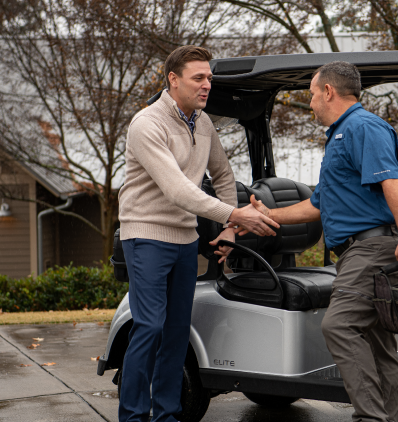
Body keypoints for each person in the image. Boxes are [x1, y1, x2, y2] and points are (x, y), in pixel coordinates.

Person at [239, 61, 398, 422]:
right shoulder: (342, 135)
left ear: (328, 91)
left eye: (311, 95)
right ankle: (385, 417)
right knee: (377, 340)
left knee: (338, 325)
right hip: (360, 251)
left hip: (370, 250)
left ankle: (370, 417)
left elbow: (394, 184)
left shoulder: (362, 127)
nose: (309, 104)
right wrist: (269, 215)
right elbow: (318, 204)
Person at [117, 45, 279, 422]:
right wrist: (236, 213)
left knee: (175, 332)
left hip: (185, 241)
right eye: (199, 78)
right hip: (147, 236)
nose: (207, 85)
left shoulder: (202, 122)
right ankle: (133, 416)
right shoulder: (147, 124)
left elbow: (222, 175)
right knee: (150, 326)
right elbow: (178, 190)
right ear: (173, 80)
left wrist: (229, 228)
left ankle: (168, 416)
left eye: (209, 78)